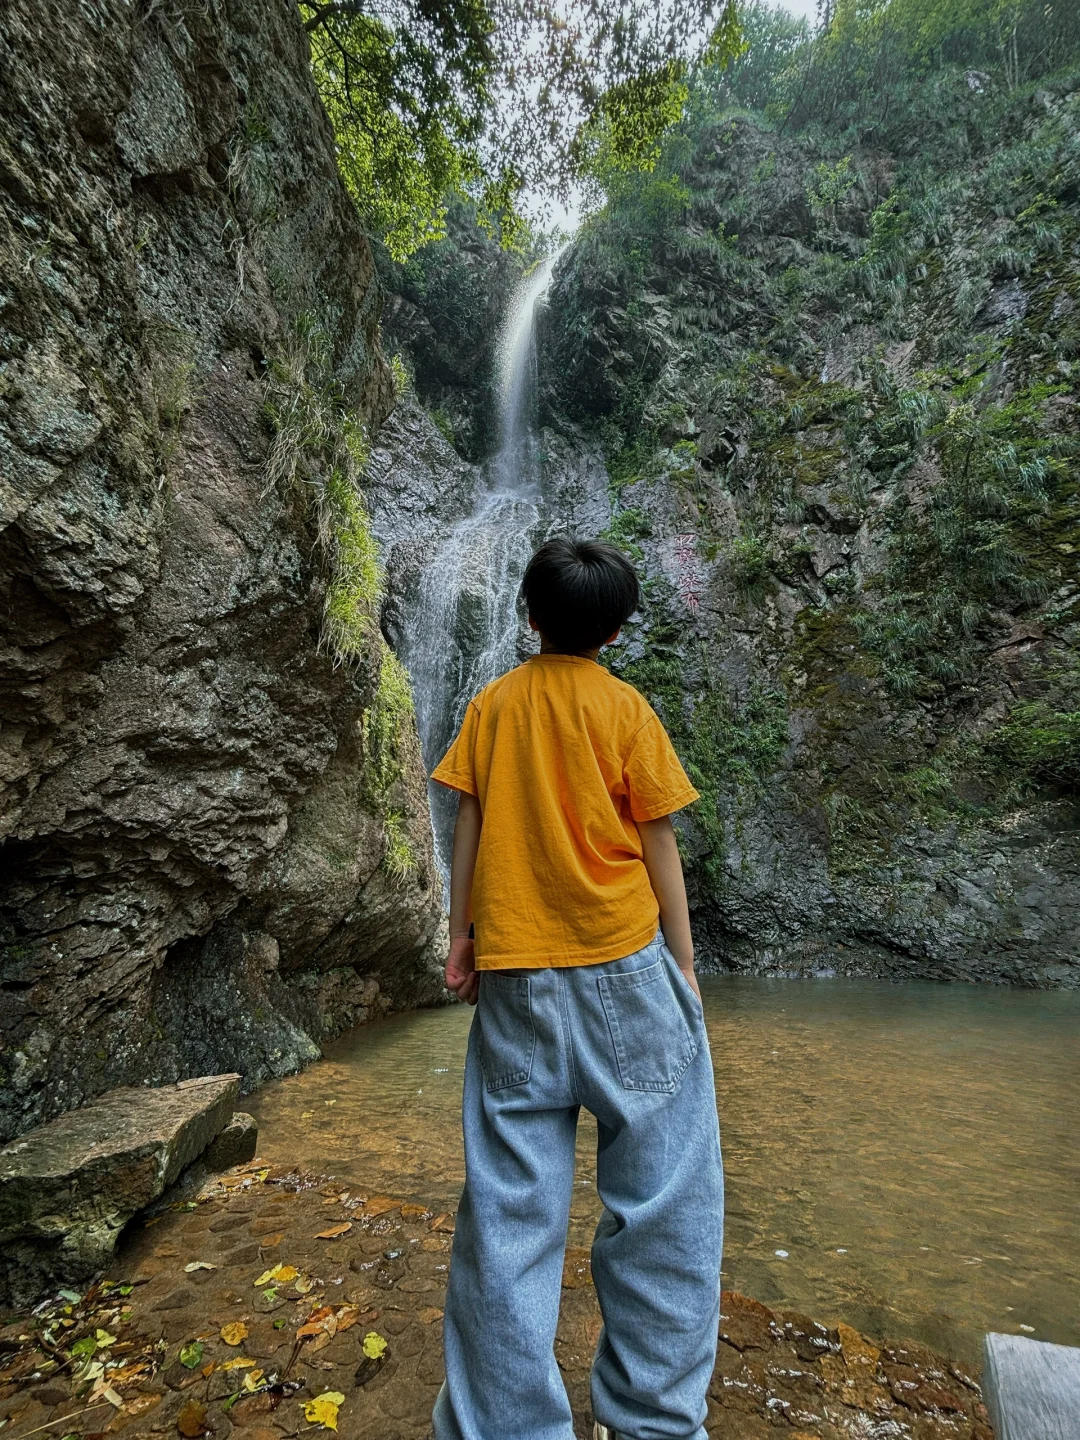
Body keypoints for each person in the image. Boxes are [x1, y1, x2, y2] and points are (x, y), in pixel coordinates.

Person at [430, 536, 724, 1440]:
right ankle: (654, 1422)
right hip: (624, 966)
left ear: (529, 617)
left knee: (508, 1219)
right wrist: (682, 962)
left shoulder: (493, 703)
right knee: (665, 1206)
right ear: (618, 628)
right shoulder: (627, 708)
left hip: (517, 972)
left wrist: (463, 937)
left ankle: (506, 1429)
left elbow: (470, 821)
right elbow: (660, 840)